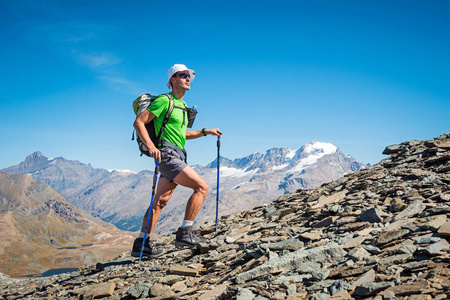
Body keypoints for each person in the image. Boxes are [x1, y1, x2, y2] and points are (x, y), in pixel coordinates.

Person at [131, 64, 222, 258]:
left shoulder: (182, 106)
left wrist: (206, 131)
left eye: (189, 76)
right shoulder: (165, 101)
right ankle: (184, 233)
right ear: (172, 79)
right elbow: (139, 122)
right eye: (183, 75)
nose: (188, 78)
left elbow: (183, 134)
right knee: (202, 187)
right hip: (167, 154)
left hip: (177, 154)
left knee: (160, 201)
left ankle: (141, 244)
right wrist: (151, 147)